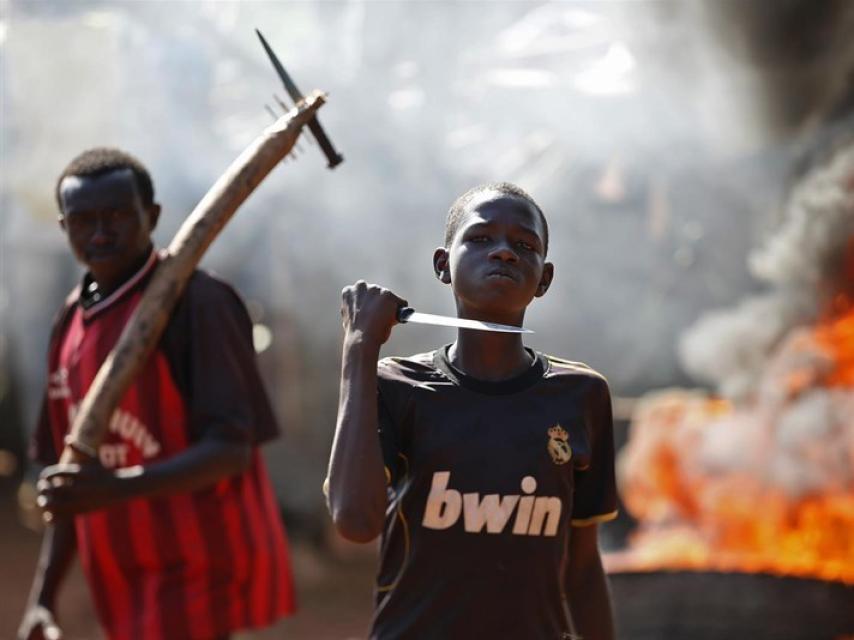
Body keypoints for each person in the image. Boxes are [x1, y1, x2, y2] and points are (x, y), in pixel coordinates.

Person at [18, 148, 295, 640]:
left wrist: (115, 487)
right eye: (83, 220)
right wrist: (43, 598)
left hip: (203, 575)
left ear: (154, 216)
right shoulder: (70, 322)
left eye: (118, 215)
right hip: (123, 582)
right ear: (64, 227)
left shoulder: (198, 303)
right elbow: (71, 481)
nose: (101, 233)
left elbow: (231, 450)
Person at [326, 182, 618, 640]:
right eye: (480, 239)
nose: (503, 252)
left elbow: (581, 568)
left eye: (524, 245)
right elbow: (356, 522)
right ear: (443, 264)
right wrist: (359, 348)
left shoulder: (581, 395)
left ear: (544, 278)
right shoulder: (396, 386)